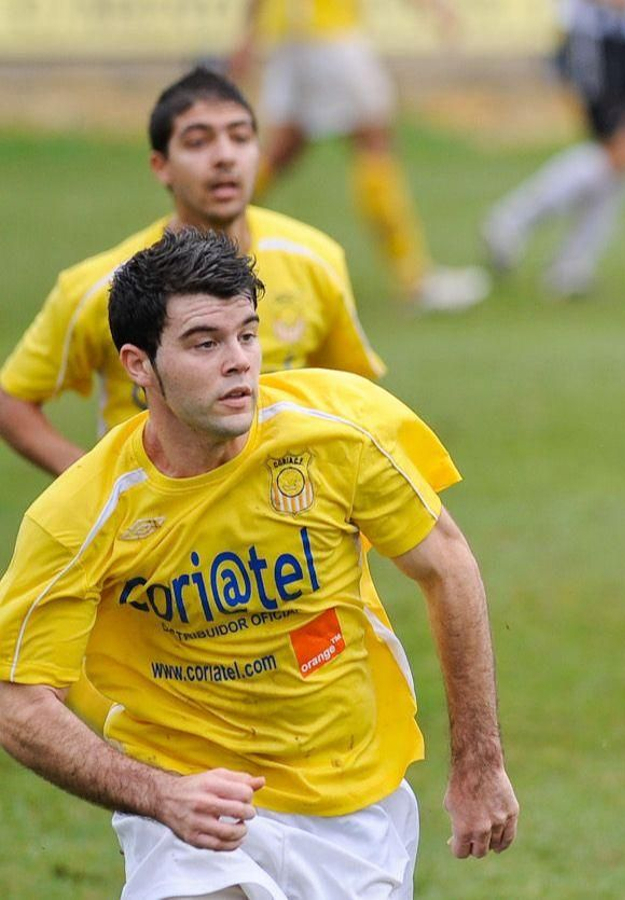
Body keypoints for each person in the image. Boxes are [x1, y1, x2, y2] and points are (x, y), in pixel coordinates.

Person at [0, 229, 518, 898]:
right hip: (189, 801)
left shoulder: (337, 432)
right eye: (204, 342)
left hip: (350, 804)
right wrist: (158, 795)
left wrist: (479, 762)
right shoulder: (83, 512)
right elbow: (16, 695)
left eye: (247, 334)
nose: (239, 361)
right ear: (137, 364)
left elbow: (447, 566)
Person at [0, 66, 384, 480]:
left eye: (240, 137)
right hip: (153, 531)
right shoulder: (101, 286)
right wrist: (93, 483)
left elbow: (351, 394)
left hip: (281, 520)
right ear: (161, 165)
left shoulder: (314, 259)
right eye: (199, 141)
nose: (224, 156)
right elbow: (11, 400)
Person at [231, 0, 490, 312]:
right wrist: (433, 8)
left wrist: (248, 34)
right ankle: (414, 279)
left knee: (281, 152)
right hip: (331, 35)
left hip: (290, 40)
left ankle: (194, 240)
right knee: (374, 144)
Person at [481, 0, 625, 299]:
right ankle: (509, 223)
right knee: (613, 153)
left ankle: (569, 268)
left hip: (624, 35)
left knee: (622, 161)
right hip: (592, 34)